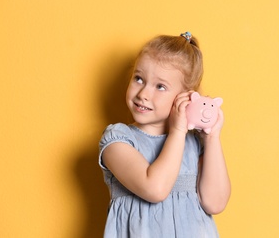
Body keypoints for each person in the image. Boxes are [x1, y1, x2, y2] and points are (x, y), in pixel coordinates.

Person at [98, 32, 231, 237]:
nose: (143, 94)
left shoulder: (195, 144)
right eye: (139, 79)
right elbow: (156, 189)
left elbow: (215, 202)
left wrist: (212, 137)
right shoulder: (117, 141)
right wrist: (178, 130)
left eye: (160, 86)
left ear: (186, 96)